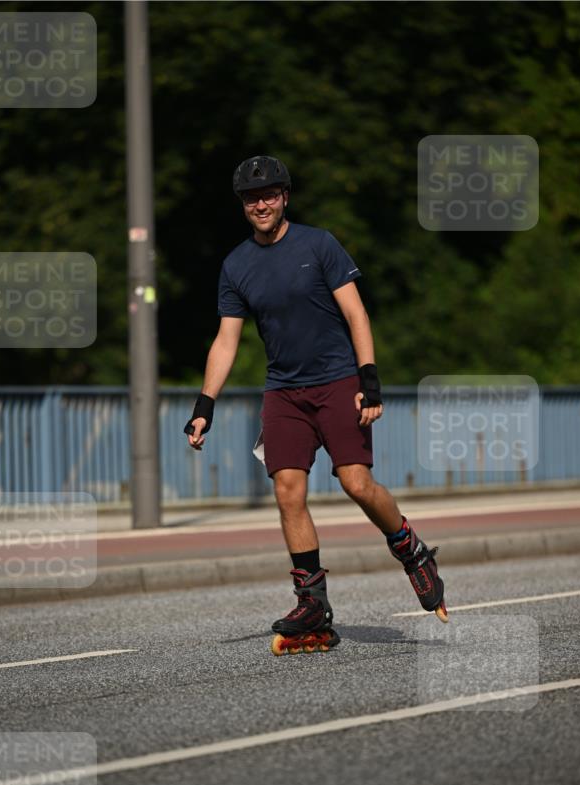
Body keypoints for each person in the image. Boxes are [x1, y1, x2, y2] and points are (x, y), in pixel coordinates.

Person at [185, 155, 447, 653]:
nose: (260, 204)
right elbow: (226, 340)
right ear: (243, 206)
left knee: (356, 483)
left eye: (269, 195)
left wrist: (369, 380)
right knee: (288, 489)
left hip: (337, 381)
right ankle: (312, 601)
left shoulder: (318, 244)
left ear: (285, 196)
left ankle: (410, 550)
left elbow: (356, 312)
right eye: (250, 198)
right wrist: (205, 404)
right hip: (284, 390)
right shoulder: (236, 265)